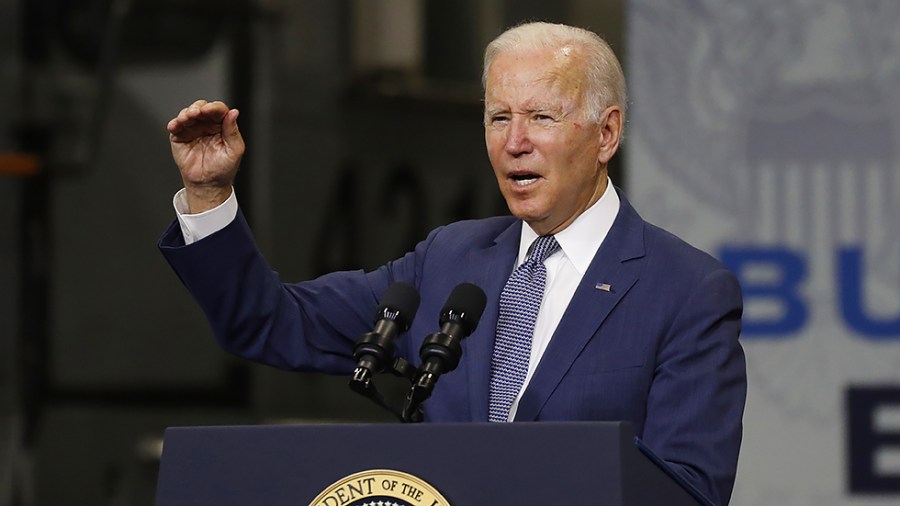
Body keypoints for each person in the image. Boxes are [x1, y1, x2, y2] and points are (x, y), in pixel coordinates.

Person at [159, 22, 746, 506]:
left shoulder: (686, 290)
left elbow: (688, 494)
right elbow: (269, 321)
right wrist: (210, 196)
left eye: (541, 117)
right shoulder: (447, 261)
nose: (514, 141)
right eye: (498, 117)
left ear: (606, 133)